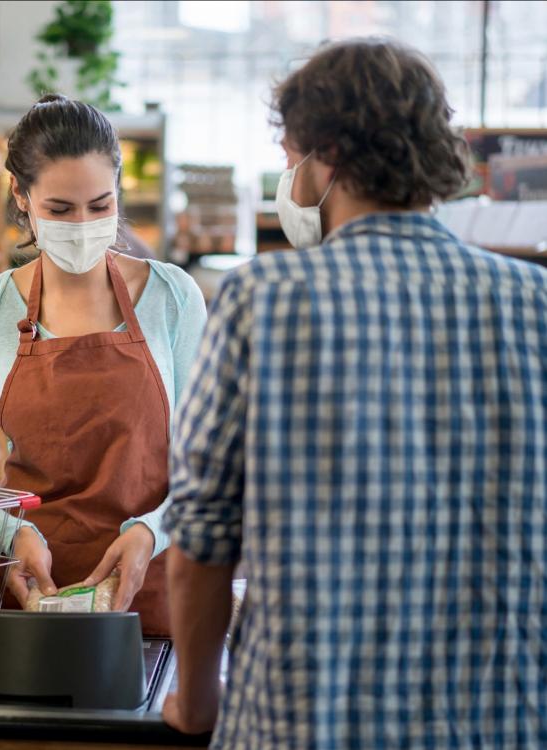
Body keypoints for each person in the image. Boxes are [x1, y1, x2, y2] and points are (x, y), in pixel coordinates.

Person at [163, 38, 547, 747]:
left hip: (303, 719)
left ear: (327, 155)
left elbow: (199, 546)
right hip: (500, 719)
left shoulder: (263, 297)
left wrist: (196, 703)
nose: (289, 175)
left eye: (289, 156)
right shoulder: (535, 301)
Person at [0, 94, 207, 636]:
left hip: (150, 604)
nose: (82, 225)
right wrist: (9, 535)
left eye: (100, 206)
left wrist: (150, 532)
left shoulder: (172, 298)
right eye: (60, 210)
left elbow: (210, 472)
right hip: (31, 605)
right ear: (20, 194)